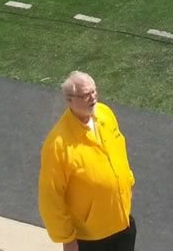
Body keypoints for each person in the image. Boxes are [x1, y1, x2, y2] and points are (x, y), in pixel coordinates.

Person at [38, 71, 137, 251]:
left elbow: (119, 148)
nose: (92, 98)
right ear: (69, 100)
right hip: (92, 238)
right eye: (85, 95)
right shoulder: (58, 144)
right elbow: (50, 196)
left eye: (94, 92)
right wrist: (67, 239)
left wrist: (127, 180)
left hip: (122, 224)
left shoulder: (105, 114)